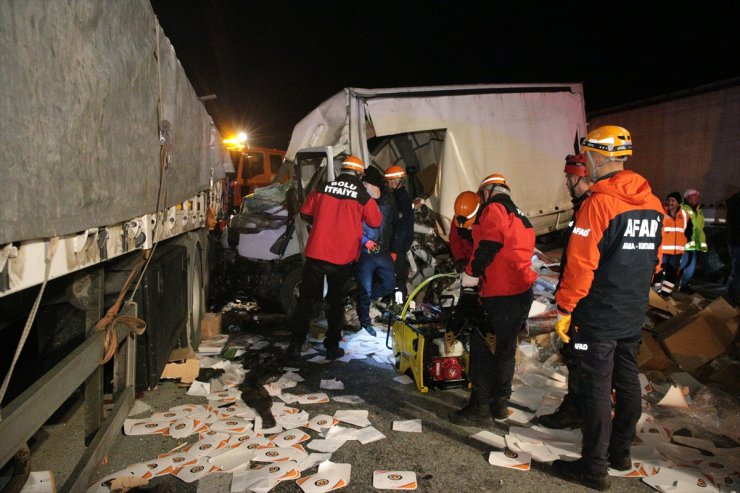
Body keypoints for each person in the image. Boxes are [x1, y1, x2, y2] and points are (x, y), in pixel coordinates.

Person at [552, 125, 663, 491]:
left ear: (599, 158)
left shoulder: (599, 203)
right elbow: (656, 261)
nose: (587, 165)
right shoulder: (653, 203)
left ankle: (594, 467)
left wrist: (565, 308)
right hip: (632, 311)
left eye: (588, 159)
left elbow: (581, 265)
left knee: (596, 386)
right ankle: (620, 454)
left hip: (598, 313)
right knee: (627, 381)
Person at [449, 173, 536, 425]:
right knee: (505, 350)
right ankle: (500, 404)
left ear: (487, 192)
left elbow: (489, 243)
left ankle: (479, 407)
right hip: (521, 292)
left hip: (500, 294)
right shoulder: (520, 215)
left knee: (483, 350)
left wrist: (471, 274)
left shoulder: (495, 208)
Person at [286, 155, 382, 360]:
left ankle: (295, 344)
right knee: (336, 304)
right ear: (359, 174)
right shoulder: (362, 196)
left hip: (316, 254)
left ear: (343, 170)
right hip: (341, 259)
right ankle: (331, 348)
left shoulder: (324, 188)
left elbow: (305, 212)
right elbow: (375, 222)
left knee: (305, 301)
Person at [538, 153, 591, 430]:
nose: (566, 183)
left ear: (576, 177)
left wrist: (566, 307)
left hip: (585, 302)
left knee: (579, 357)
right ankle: (585, 411)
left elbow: (581, 263)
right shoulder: (587, 206)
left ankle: (578, 412)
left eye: (567, 177)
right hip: (595, 300)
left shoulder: (591, 207)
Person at [355, 166, 398, 336]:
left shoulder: (389, 200)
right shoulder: (360, 201)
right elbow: (353, 225)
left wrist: (393, 248)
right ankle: (364, 320)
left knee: (389, 284)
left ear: (373, 185)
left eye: (365, 184)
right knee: (364, 288)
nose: (362, 187)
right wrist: (365, 241)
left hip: (383, 251)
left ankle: (363, 300)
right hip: (366, 252)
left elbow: (394, 224)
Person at [385, 166, 415, 300]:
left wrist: (394, 249)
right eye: (388, 181)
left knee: (397, 278)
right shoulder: (397, 197)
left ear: (399, 181)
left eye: (392, 181)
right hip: (396, 247)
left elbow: (402, 227)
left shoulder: (402, 198)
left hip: (397, 248)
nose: (389, 184)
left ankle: (398, 306)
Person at [659, 191, 688, 296]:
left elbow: (689, 231)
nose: (670, 202)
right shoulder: (661, 212)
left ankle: (666, 294)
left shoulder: (684, 215)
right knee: (658, 271)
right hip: (663, 249)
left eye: (673, 200)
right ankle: (655, 294)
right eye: (669, 200)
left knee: (672, 273)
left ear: (678, 203)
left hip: (677, 251)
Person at [678, 188, 707, 293]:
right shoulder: (682, 208)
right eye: (694, 196)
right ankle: (664, 281)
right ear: (687, 197)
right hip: (684, 242)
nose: (697, 198)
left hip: (694, 243)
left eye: (697, 196)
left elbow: (700, 227)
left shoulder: (698, 210)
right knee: (682, 264)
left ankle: (685, 285)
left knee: (691, 266)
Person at [726, 190, 740, 306]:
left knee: (736, 272)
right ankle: (732, 300)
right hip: (737, 243)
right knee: (737, 272)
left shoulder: (734, 202)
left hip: (735, 242)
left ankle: (733, 299)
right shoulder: (737, 203)